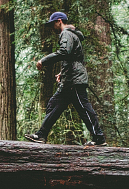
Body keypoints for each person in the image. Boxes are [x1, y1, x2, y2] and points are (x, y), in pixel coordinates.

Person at [28, 11, 106, 145]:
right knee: (54, 104)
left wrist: (43, 61)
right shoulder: (70, 35)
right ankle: (41, 135)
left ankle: (98, 138)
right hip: (70, 79)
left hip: (74, 81)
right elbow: (71, 58)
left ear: (59, 21)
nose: (52, 28)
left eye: (53, 24)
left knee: (84, 109)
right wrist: (62, 73)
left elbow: (65, 52)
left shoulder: (67, 34)